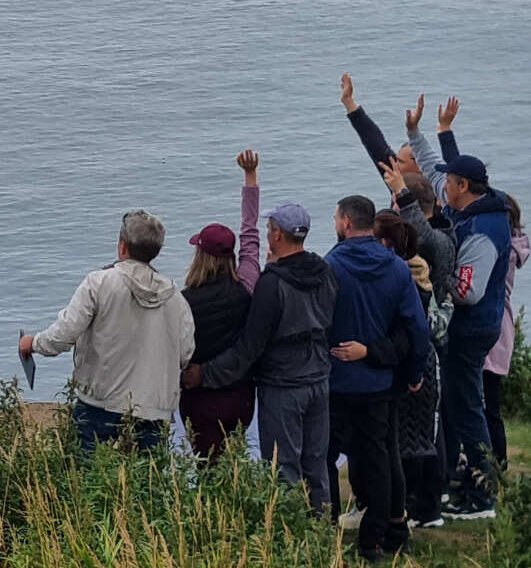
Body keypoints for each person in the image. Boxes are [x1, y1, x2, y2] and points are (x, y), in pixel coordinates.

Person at [183, 200, 337, 512]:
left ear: (278, 235)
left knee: (284, 467)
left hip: (283, 384)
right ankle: (322, 531)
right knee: (316, 462)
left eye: (270, 229)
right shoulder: (325, 272)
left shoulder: (273, 283)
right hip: (319, 379)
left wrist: (205, 373)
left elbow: (249, 348)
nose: (268, 234)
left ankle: (289, 537)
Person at [405, 94, 513, 520]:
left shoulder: (485, 231)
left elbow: (469, 291)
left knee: (468, 407)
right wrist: (423, 132)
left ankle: (485, 492)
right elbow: (437, 169)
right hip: (468, 328)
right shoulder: (474, 202)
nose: (442, 187)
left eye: (451, 184)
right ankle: (464, 479)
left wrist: (437, 282)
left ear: (463, 188)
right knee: (456, 405)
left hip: (472, 331)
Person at [19, 210, 194, 453]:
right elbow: (186, 354)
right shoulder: (175, 299)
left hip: (99, 405)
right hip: (154, 410)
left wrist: (34, 343)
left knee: (91, 479)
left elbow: (64, 334)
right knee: (146, 485)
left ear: (122, 246)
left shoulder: (99, 283)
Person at [325, 195, 430, 561]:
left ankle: (327, 528)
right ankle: (374, 540)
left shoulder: (331, 266)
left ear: (347, 224)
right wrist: (414, 372)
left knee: (326, 456)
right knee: (380, 459)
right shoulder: (398, 270)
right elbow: (417, 328)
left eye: (336, 219)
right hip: (378, 383)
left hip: (336, 381)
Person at [339, 73, 455, 297]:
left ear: (420, 167)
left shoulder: (438, 204)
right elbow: (376, 146)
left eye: (400, 162)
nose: (395, 167)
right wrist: (350, 105)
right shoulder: (403, 193)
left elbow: (427, 237)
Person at [178, 150, 262, 460]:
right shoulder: (247, 285)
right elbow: (250, 236)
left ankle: (213, 511)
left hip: (199, 398)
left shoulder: (183, 302)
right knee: (234, 464)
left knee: (207, 468)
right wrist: (250, 178)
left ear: (199, 256)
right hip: (241, 395)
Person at [482, 194, 530, 472]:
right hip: (503, 326)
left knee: (487, 404)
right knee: (490, 403)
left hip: (493, 326)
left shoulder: (502, 250)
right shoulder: (513, 246)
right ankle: (495, 462)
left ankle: (496, 464)